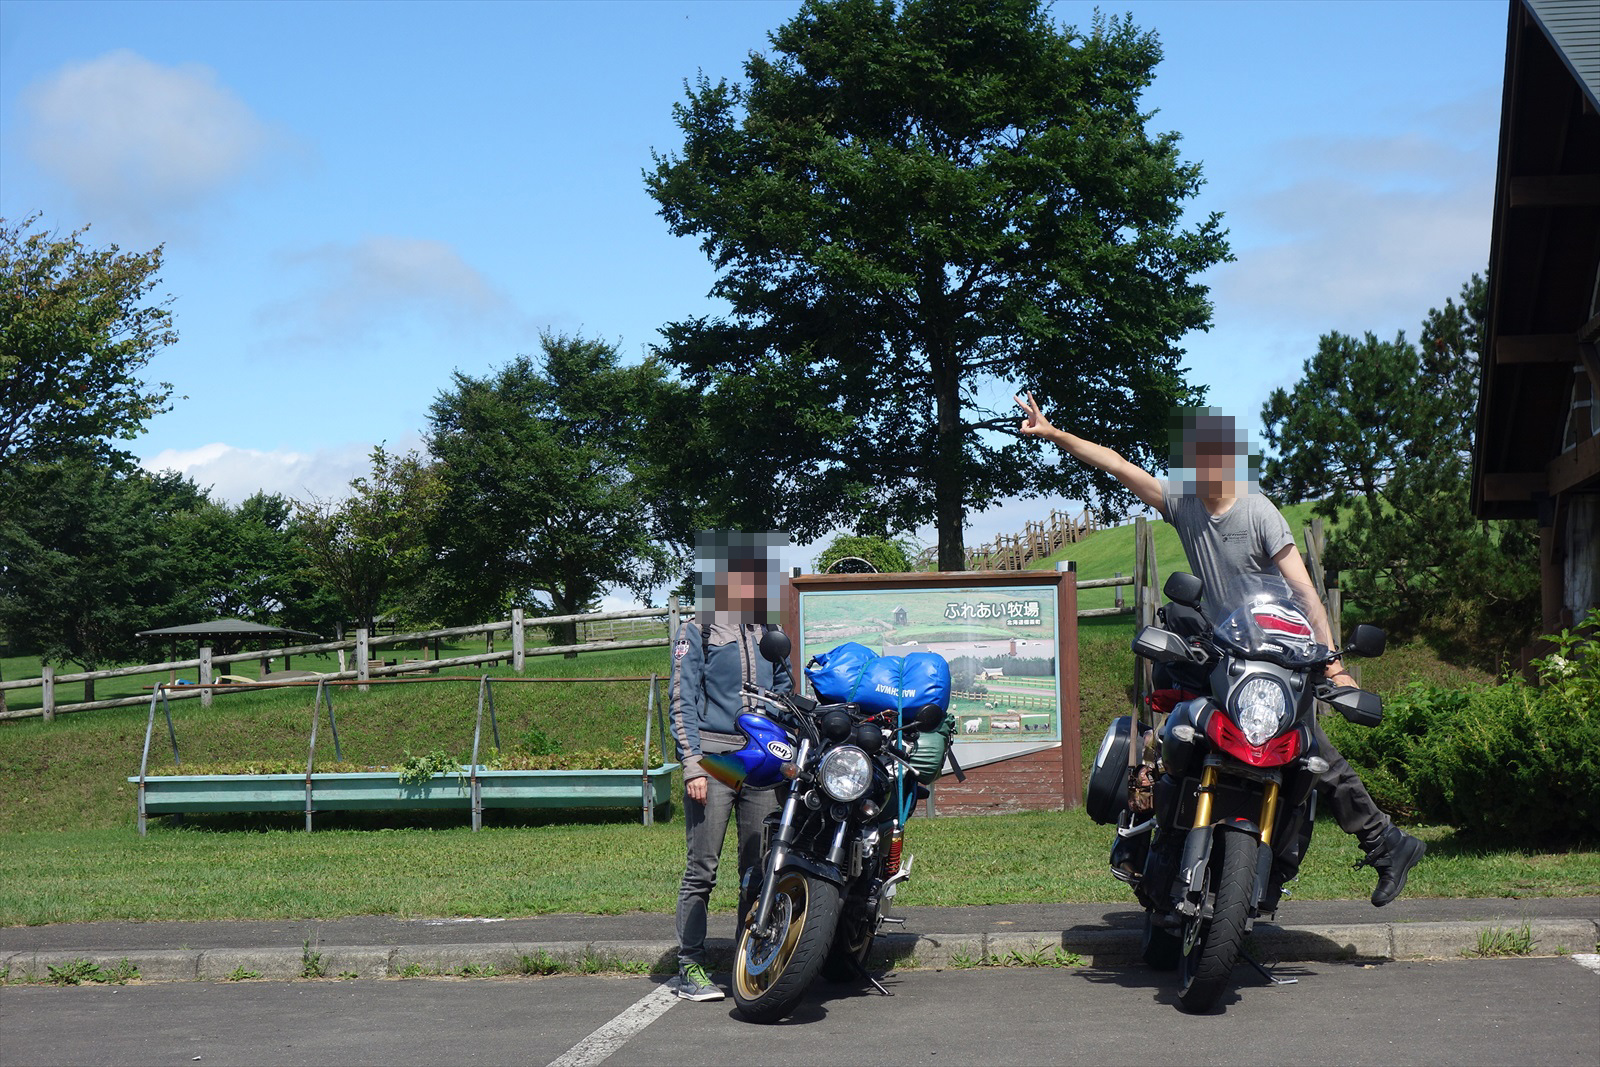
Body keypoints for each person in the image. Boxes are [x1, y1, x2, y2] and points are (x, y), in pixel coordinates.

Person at [1015, 395, 1425, 907]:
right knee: (1176, 731)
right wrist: (1055, 434)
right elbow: (1117, 464)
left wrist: (1334, 665)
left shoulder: (1257, 510)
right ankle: (1147, 839)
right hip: (1225, 645)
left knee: (1309, 749)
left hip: (1277, 651)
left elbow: (1303, 591)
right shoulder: (1183, 502)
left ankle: (1385, 843)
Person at [668, 530, 792, 1001]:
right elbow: (682, 700)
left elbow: (784, 695)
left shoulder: (767, 629)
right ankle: (690, 966)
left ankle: (748, 957)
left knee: (758, 869)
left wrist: (786, 752)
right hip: (716, 761)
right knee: (702, 869)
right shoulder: (698, 628)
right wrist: (692, 765)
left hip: (762, 762)